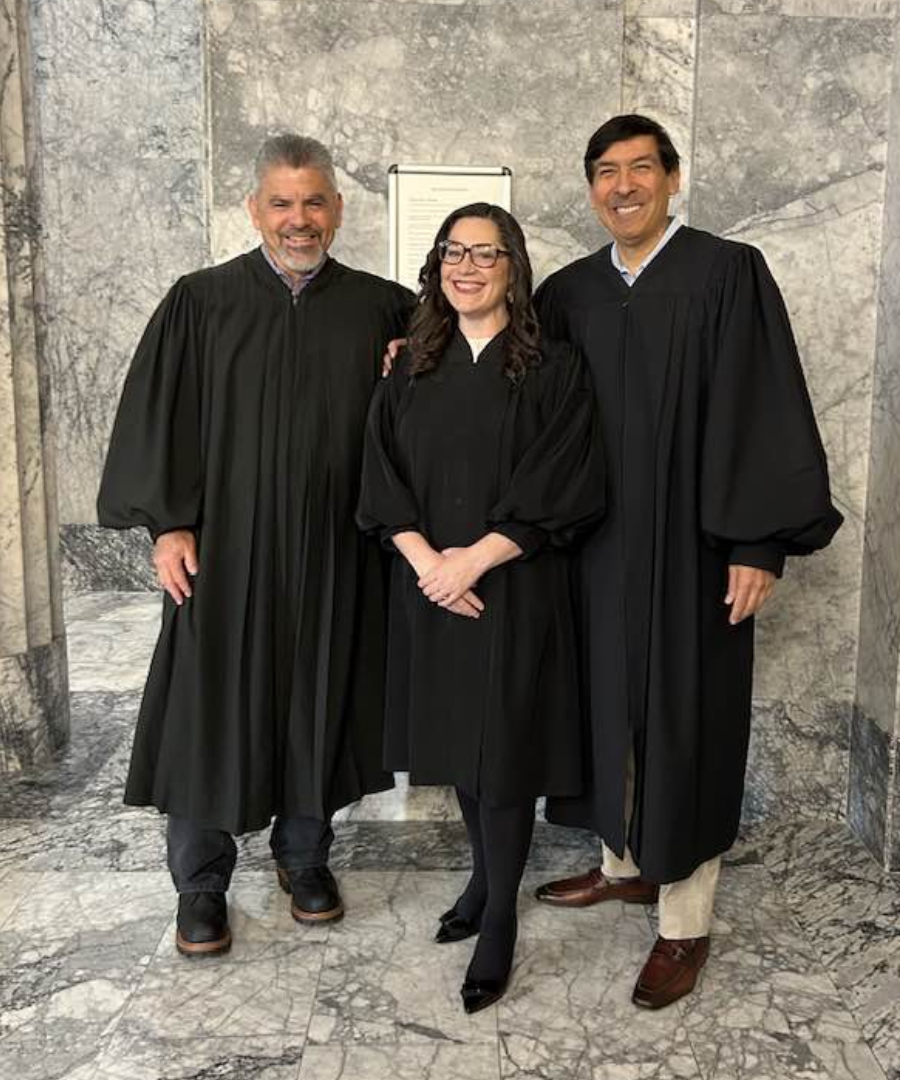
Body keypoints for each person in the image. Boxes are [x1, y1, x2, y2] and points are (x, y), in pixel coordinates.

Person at [533, 114, 843, 1009]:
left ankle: (684, 921)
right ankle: (622, 864)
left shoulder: (725, 273)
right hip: (593, 550)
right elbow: (516, 390)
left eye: (640, 169)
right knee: (603, 707)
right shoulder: (567, 292)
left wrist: (758, 542)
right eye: (604, 172)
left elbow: (764, 405)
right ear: (589, 188)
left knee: (684, 719)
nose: (622, 187)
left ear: (673, 178)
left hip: (693, 553)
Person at [97, 134, 412, 956]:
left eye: (314, 202)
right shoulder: (200, 302)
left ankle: (304, 856)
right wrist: (167, 523)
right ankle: (200, 881)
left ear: (338, 210)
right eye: (282, 202)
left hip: (335, 552)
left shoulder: (381, 307)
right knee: (209, 707)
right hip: (225, 554)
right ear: (254, 208)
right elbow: (157, 418)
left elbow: (437, 411)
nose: (298, 219)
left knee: (319, 697)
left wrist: (416, 364)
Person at [357, 203, 604, 1012]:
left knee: (504, 761)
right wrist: (431, 564)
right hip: (433, 590)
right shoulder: (410, 367)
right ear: (436, 265)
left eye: (485, 254)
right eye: (453, 253)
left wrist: (475, 559)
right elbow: (381, 477)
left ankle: (498, 923)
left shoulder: (553, 367)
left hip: (512, 590)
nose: (467, 267)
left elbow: (564, 483)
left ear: (513, 267)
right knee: (465, 748)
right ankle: (480, 882)